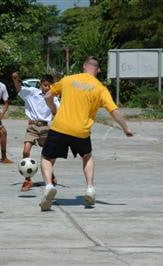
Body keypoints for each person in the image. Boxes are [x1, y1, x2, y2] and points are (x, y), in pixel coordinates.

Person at [39, 56, 134, 211]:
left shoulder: (68, 79)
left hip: (60, 126)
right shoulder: (100, 88)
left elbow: (48, 95)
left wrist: (53, 110)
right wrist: (126, 128)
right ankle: (90, 188)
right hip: (81, 131)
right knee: (87, 156)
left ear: (84, 66)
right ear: (98, 70)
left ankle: (49, 186)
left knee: (47, 158)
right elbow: (113, 110)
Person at [12, 72, 60, 191]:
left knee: (50, 154)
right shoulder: (32, 92)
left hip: (45, 128)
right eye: (45, 85)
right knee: (26, 151)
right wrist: (15, 79)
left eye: (49, 86)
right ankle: (27, 180)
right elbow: (19, 89)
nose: (47, 88)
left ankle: (50, 172)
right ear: (41, 85)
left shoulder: (53, 98)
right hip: (32, 127)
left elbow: (59, 112)